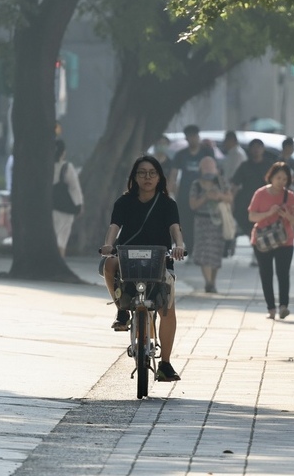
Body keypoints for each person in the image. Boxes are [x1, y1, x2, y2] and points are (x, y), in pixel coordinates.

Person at [100, 155, 185, 382]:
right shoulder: (123, 202)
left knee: (167, 309)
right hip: (127, 258)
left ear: (159, 177)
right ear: (134, 177)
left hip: (160, 261)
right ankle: (121, 308)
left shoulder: (168, 204)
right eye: (142, 173)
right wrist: (109, 245)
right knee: (109, 264)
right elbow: (114, 227)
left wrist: (179, 246)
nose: (147, 177)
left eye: (152, 173)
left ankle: (165, 364)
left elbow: (175, 230)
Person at [249, 162, 294, 320]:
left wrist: (286, 216)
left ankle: (283, 306)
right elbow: (251, 217)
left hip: (285, 240)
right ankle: (270, 308)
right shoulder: (260, 193)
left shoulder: (289, 196)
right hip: (262, 240)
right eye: (278, 178)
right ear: (271, 176)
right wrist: (268, 213)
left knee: (283, 273)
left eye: (285, 179)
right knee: (266, 274)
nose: (281, 181)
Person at [188, 156, 233, 293]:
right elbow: (193, 205)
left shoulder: (221, 182)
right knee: (204, 253)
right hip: (202, 222)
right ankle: (208, 282)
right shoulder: (196, 184)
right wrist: (206, 196)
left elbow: (230, 198)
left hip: (218, 223)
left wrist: (218, 196)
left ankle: (212, 281)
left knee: (215, 253)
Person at [169, 124, 214, 255]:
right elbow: (173, 175)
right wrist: (171, 192)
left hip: (203, 193)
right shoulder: (181, 155)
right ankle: (190, 248)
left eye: (195, 136)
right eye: (189, 137)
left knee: (203, 222)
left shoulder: (207, 152)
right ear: (186, 138)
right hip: (184, 195)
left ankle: (202, 249)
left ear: (198, 137)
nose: (192, 139)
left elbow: (213, 171)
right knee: (186, 223)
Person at [232, 138, 274, 266]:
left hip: (266, 203)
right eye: (254, 147)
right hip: (247, 203)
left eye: (258, 147)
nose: (256, 150)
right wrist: (231, 202)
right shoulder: (245, 166)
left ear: (263, 149)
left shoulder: (269, 165)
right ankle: (257, 253)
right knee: (251, 229)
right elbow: (234, 184)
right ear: (250, 150)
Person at [52, 139, 83, 258]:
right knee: (62, 239)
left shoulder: (44, 167)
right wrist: (79, 205)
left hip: (49, 207)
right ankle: (60, 260)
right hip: (65, 209)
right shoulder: (66, 167)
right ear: (63, 152)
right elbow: (74, 187)